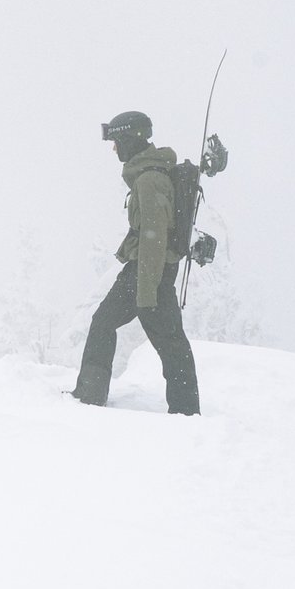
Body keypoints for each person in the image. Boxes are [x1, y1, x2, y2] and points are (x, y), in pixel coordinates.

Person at [72, 110, 201, 416]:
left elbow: (153, 239)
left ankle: (183, 411)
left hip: (148, 273)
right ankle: (184, 410)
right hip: (147, 271)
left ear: (131, 139)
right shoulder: (151, 174)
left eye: (116, 141)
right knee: (164, 341)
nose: (114, 148)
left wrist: (147, 291)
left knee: (163, 340)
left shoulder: (150, 179)